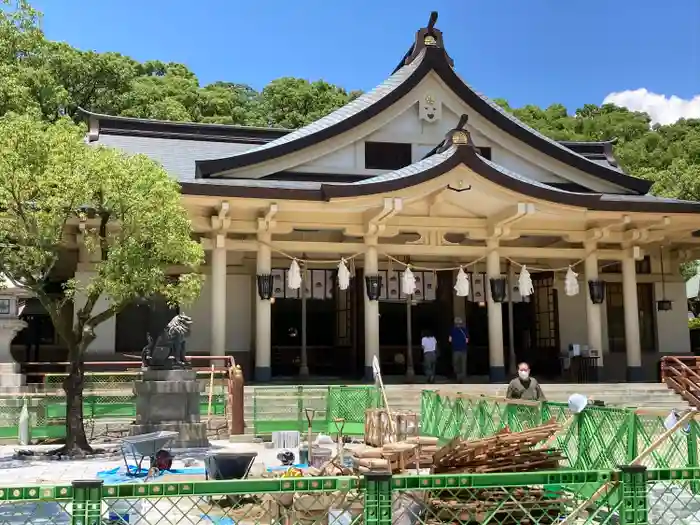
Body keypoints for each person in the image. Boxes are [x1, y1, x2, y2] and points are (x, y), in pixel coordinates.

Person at [449, 317, 469, 382]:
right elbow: (467, 340)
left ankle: (458, 377)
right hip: (463, 349)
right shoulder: (465, 330)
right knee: (463, 364)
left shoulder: (452, 330)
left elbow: (450, 340)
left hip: (456, 349)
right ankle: (462, 377)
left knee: (456, 363)